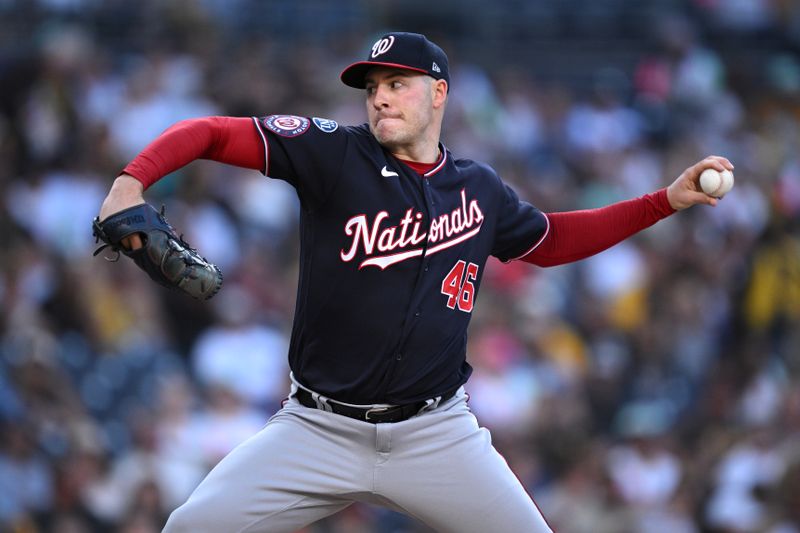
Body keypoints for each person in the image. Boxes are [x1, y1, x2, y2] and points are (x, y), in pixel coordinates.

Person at [97, 32, 733, 533]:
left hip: (437, 435)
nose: (379, 96)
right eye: (372, 86)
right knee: (191, 527)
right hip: (318, 428)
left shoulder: (478, 188)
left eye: (397, 83)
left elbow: (554, 241)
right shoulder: (333, 154)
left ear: (439, 95)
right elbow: (210, 132)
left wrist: (663, 202)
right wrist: (132, 181)